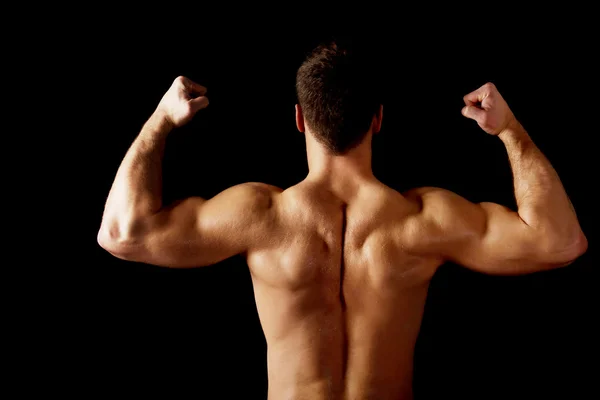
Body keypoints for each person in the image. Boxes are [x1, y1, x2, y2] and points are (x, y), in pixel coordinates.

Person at [97, 41, 587, 400]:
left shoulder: (261, 217)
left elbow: (121, 233)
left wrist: (159, 121)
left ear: (299, 120)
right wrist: (510, 131)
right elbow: (559, 242)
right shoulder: (423, 221)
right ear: (378, 120)